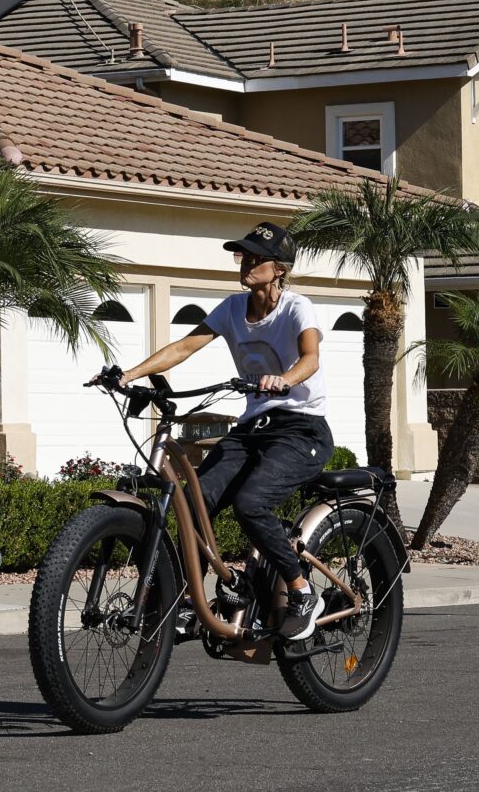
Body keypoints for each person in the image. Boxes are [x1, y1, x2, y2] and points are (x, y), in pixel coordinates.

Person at [91, 220, 333, 640]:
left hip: (302, 428)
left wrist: (285, 380)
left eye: (256, 258)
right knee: (194, 502)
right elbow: (184, 346)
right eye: (243, 256)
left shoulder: (297, 307)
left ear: (279, 268)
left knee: (251, 503)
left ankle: (301, 590)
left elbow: (310, 357)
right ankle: (189, 600)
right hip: (254, 426)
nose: (246, 264)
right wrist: (129, 374)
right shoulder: (232, 308)